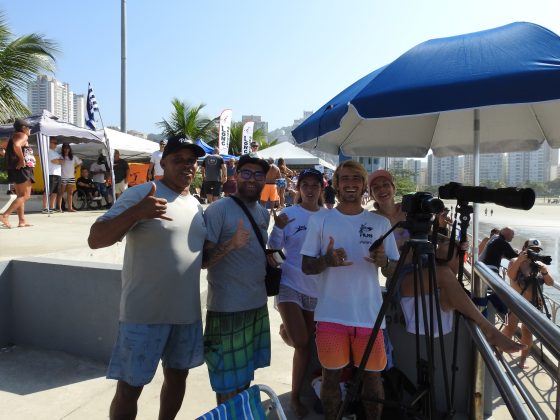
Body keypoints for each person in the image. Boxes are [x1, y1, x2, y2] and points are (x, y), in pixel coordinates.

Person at [88, 135, 207, 420]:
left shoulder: (197, 205)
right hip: (143, 314)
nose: (187, 165)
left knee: (178, 379)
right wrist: (138, 212)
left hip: (186, 315)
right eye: (178, 159)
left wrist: (228, 248)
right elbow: (96, 239)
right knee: (130, 388)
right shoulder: (141, 193)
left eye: (191, 160)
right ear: (162, 162)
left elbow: (194, 259)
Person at [368, 169, 524, 352]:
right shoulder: (372, 220)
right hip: (400, 276)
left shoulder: (409, 210)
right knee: (442, 274)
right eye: (375, 187)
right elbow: (385, 268)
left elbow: (432, 238)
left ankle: (447, 300)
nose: (382, 190)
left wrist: (454, 242)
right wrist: (384, 261)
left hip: (424, 267)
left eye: (385, 185)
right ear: (370, 194)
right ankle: (488, 329)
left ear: (393, 188)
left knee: (449, 249)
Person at [300, 161, 400, 420]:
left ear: (364, 184)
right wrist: (327, 261)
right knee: (330, 379)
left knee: (373, 379)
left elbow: (394, 270)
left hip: (369, 316)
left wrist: (385, 263)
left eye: (357, 178)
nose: (351, 183)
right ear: (336, 183)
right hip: (331, 316)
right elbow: (307, 266)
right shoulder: (320, 219)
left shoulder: (380, 222)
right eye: (345, 178)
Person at [202, 153, 272, 404]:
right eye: (246, 173)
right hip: (227, 309)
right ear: (235, 176)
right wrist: (230, 245)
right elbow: (203, 261)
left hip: (256, 304)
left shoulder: (264, 213)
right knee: (226, 380)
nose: (252, 179)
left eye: (258, 175)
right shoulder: (218, 210)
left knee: (244, 376)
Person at [267, 168, 326, 417]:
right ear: (298, 188)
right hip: (289, 284)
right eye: (306, 185)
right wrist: (278, 228)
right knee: (302, 343)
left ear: (322, 189)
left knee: (307, 345)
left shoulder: (328, 217)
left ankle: (286, 332)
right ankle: (294, 398)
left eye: (315, 185)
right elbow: (273, 249)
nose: (310, 190)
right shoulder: (289, 214)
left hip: (316, 289)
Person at [503, 239, 555, 368]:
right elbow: (511, 275)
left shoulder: (539, 264)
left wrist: (544, 271)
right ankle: (499, 350)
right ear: (524, 248)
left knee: (527, 332)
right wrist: (520, 260)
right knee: (510, 328)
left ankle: (523, 359)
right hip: (517, 302)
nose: (535, 252)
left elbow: (550, 283)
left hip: (534, 305)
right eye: (532, 249)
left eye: (537, 250)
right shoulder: (515, 261)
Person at [1, 119, 35, 228]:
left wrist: (4, 153)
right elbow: (16, 145)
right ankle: (5, 215)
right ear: (24, 128)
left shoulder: (12, 137)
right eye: (29, 127)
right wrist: (21, 159)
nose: (30, 129)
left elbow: (3, 147)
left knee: (20, 196)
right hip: (22, 169)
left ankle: (22, 221)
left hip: (14, 169)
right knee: (26, 195)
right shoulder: (23, 136)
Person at [57, 143, 82, 212]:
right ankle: (59, 208)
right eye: (65, 148)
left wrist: (75, 168)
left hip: (71, 177)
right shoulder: (60, 156)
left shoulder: (73, 157)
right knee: (61, 192)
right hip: (63, 176)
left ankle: (70, 208)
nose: (66, 149)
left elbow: (80, 163)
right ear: (63, 149)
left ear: (69, 149)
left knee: (70, 193)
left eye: (67, 148)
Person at [41, 137, 63, 213]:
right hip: (51, 173)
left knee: (55, 191)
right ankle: (44, 207)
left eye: (56, 143)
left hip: (58, 173)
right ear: (49, 143)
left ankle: (52, 207)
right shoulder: (48, 151)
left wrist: (60, 161)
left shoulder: (56, 152)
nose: (56, 144)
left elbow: (62, 161)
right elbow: (54, 161)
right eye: (54, 143)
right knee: (48, 191)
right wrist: (60, 161)